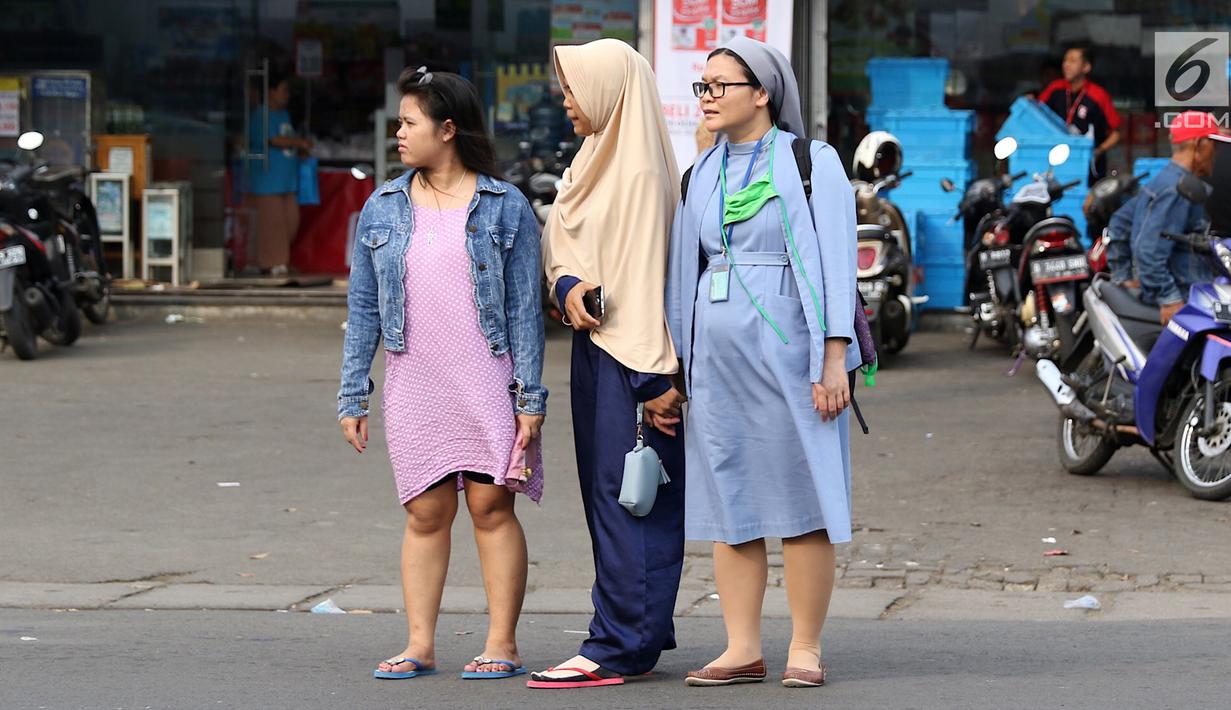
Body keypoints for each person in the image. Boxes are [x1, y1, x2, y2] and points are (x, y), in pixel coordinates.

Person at [337, 67, 547, 682]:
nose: (398, 134)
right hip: (416, 379)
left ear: (447, 129)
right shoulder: (382, 207)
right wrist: (354, 391)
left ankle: (501, 642)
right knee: (425, 514)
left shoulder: (504, 207)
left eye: (409, 122)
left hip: (488, 377)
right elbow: (363, 309)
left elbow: (524, 310)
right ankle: (419, 644)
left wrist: (529, 397)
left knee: (490, 507)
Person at [665, 36, 859, 690]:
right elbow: (679, 272)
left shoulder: (811, 162)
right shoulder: (698, 172)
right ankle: (740, 647)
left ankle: (803, 647)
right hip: (715, 359)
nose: (708, 97)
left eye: (721, 84)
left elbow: (836, 263)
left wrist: (834, 357)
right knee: (730, 500)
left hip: (789, 351)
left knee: (798, 497)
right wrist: (672, 369)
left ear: (763, 93)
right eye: (703, 86)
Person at [527, 38, 686, 690]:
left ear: (609, 91)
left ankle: (618, 645)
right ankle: (629, 629)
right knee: (612, 496)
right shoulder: (594, 158)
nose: (565, 101)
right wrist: (565, 287)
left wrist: (654, 381)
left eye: (573, 89)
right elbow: (565, 247)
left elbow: (647, 280)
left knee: (634, 501)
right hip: (596, 346)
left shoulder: (641, 174)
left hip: (635, 361)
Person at [1129, 111, 1228, 323]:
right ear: (1199, 144)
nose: (1217, 152)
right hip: (1184, 295)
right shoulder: (1177, 188)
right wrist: (1169, 298)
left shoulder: (1167, 180)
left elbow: (1123, 223)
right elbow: (1149, 249)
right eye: (1214, 144)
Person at [246, 72, 312, 276]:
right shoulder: (260, 115)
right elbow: (274, 140)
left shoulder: (283, 115)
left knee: (290, 221)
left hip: (287, 181)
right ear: (271, 92)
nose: (287, 95)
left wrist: (299, 149)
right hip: (267, 180)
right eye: (284, 90)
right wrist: (299, 143)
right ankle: (273, 263)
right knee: (271, 224)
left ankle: (277, 261)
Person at [1039, 44, 1121, 186]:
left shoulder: (1098, 95)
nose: (1066, 65)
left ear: (1086, 67)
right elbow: (1037, 112)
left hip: (1089, 165)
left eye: (1073, 61)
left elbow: (1116, 133)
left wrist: (1098, 151)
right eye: (1065, 61)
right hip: (1058, 162)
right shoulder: (1055, 88)